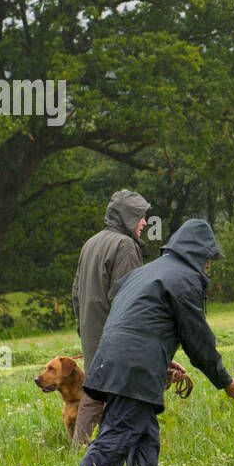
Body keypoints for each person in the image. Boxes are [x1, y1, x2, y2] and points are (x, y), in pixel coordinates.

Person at [68, 218, 234, 466]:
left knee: (146, 441)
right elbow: (198, 339)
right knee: (113, 441)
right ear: (198, 255)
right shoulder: (184, 279)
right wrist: (224, 382)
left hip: (113, 360)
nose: (209, 267)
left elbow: (135, 317)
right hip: (133, 370)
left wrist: (160, 352)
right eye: (209, 260)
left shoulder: (146, 273)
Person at [70, 190, 151, 447]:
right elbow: (131, 299)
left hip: (94, 336)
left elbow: (75, 294)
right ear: (127, 217)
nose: (145, 223)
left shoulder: (90, 243)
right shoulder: (124, 246)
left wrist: (85, 332)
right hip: (117, 339)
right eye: (140, 216)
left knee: (94, 394)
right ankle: (128, 451)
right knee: (129, 396)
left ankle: (79, 450)